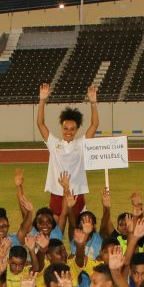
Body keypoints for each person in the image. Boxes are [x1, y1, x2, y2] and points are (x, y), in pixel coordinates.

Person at [36, 82, 100, 221]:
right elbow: (40, 124)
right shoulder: (54, 144)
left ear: (77, 130)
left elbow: (94, 125)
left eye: (72, 129)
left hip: (76, 192)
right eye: (66, 128)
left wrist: (93, 102)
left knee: (76, 229)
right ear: (61, 128)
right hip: (57, 193)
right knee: (56, 231)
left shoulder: (81, 144)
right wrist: (42, 100)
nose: (68, 132)